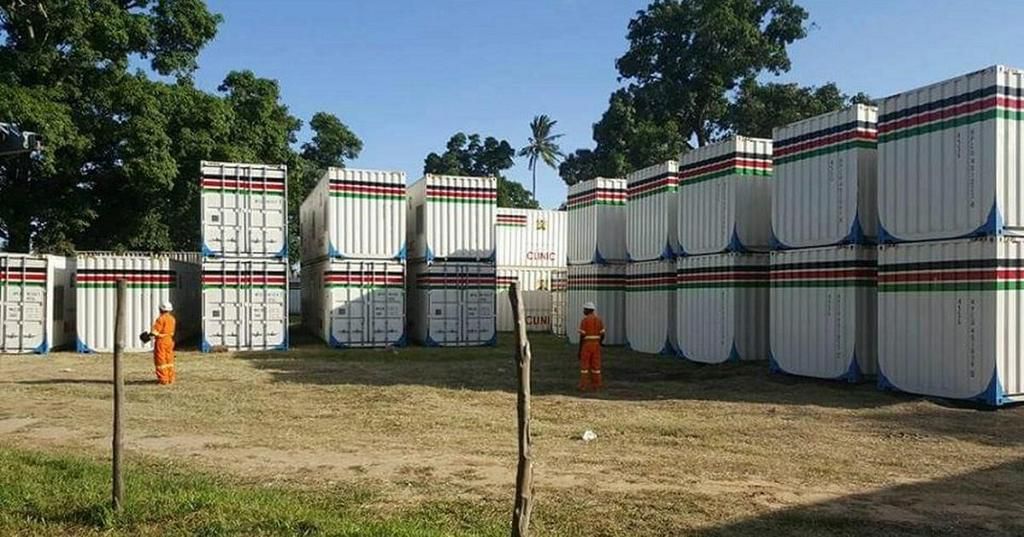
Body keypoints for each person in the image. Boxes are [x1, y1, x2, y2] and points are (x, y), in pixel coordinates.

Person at [577, 301, 605, 391]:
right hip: (596, 345)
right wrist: (599, 343)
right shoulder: (599, 320)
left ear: (588, 310)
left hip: (587, 345)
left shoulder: (584, 321)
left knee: (585, 367)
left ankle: (583, 385)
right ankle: (596, 385)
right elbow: (603, 334)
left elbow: (582, 336)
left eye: (584, 309)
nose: (583, 311)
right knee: (596, 366)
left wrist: (580, 350)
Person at [150, 302, 176, 385]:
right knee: (169, 359)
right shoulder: (172, 319)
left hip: (161, 341)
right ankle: (170, 378)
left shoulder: (160, 319)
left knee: (160, 360)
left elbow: (155, 331)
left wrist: (148, 336)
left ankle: (163, 379)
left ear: (161, 309)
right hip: (169, 340)